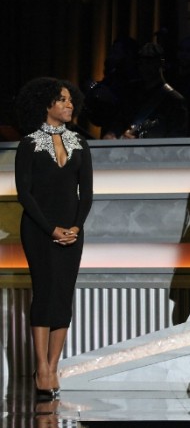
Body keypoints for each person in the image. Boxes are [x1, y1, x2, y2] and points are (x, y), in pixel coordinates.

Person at [14, 77, 94, 400]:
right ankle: (41, 369)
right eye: (62, 100)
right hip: (38, 230)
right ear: (46, 105)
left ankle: (53, 365)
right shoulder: (29, 143)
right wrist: (51, 230)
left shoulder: (80, 143)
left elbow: (86, 193)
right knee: (45, 292)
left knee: (63, 294)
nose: (69, 105)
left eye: (70, 100)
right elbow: (24, 194)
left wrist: (75, 227)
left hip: (72, 232)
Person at [103, 42, 188, 139]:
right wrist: (111, 135)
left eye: (150, 62)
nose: (145, 67)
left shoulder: (175, 100)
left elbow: (176, 138)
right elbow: (120, 121)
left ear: (161, 63)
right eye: (142, 62)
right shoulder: (131, 94)